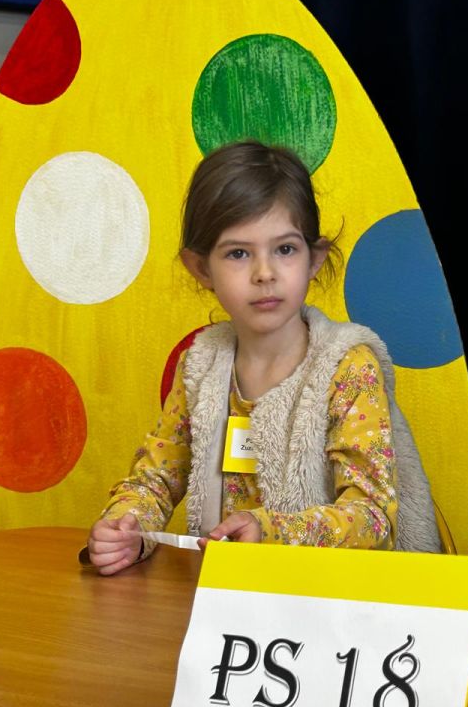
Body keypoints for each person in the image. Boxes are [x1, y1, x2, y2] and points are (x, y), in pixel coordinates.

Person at [86, 141, 441, 575]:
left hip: (327, 597)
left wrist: (271, 532)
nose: (264, 273)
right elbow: (155, 477)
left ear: (314, 259)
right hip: (229, 598)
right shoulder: (200, 367)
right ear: (201, 268)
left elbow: (373, 517)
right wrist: (126, 526)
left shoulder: (348, 368)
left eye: (285, 249)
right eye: (238, 253)